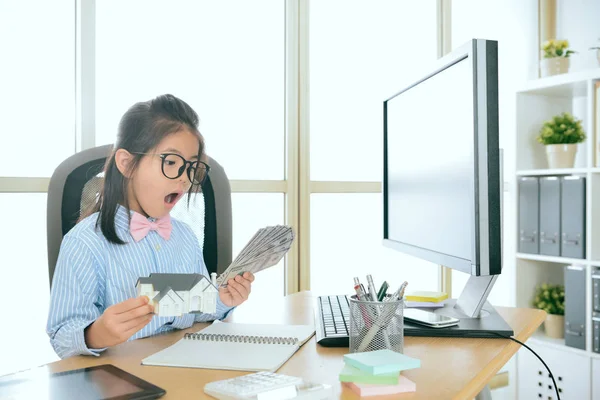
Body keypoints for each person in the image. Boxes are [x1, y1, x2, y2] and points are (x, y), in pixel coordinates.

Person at [46, 94, 254, 358]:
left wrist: (224, 300)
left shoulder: (184, 236)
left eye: (191, 167)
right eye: (171, 162)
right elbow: (62, 336)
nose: (184, 180)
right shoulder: (84, 243)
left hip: (185, 365)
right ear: (126, 163)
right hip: (121, 379)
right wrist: (96, 333)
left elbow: (197, 308)